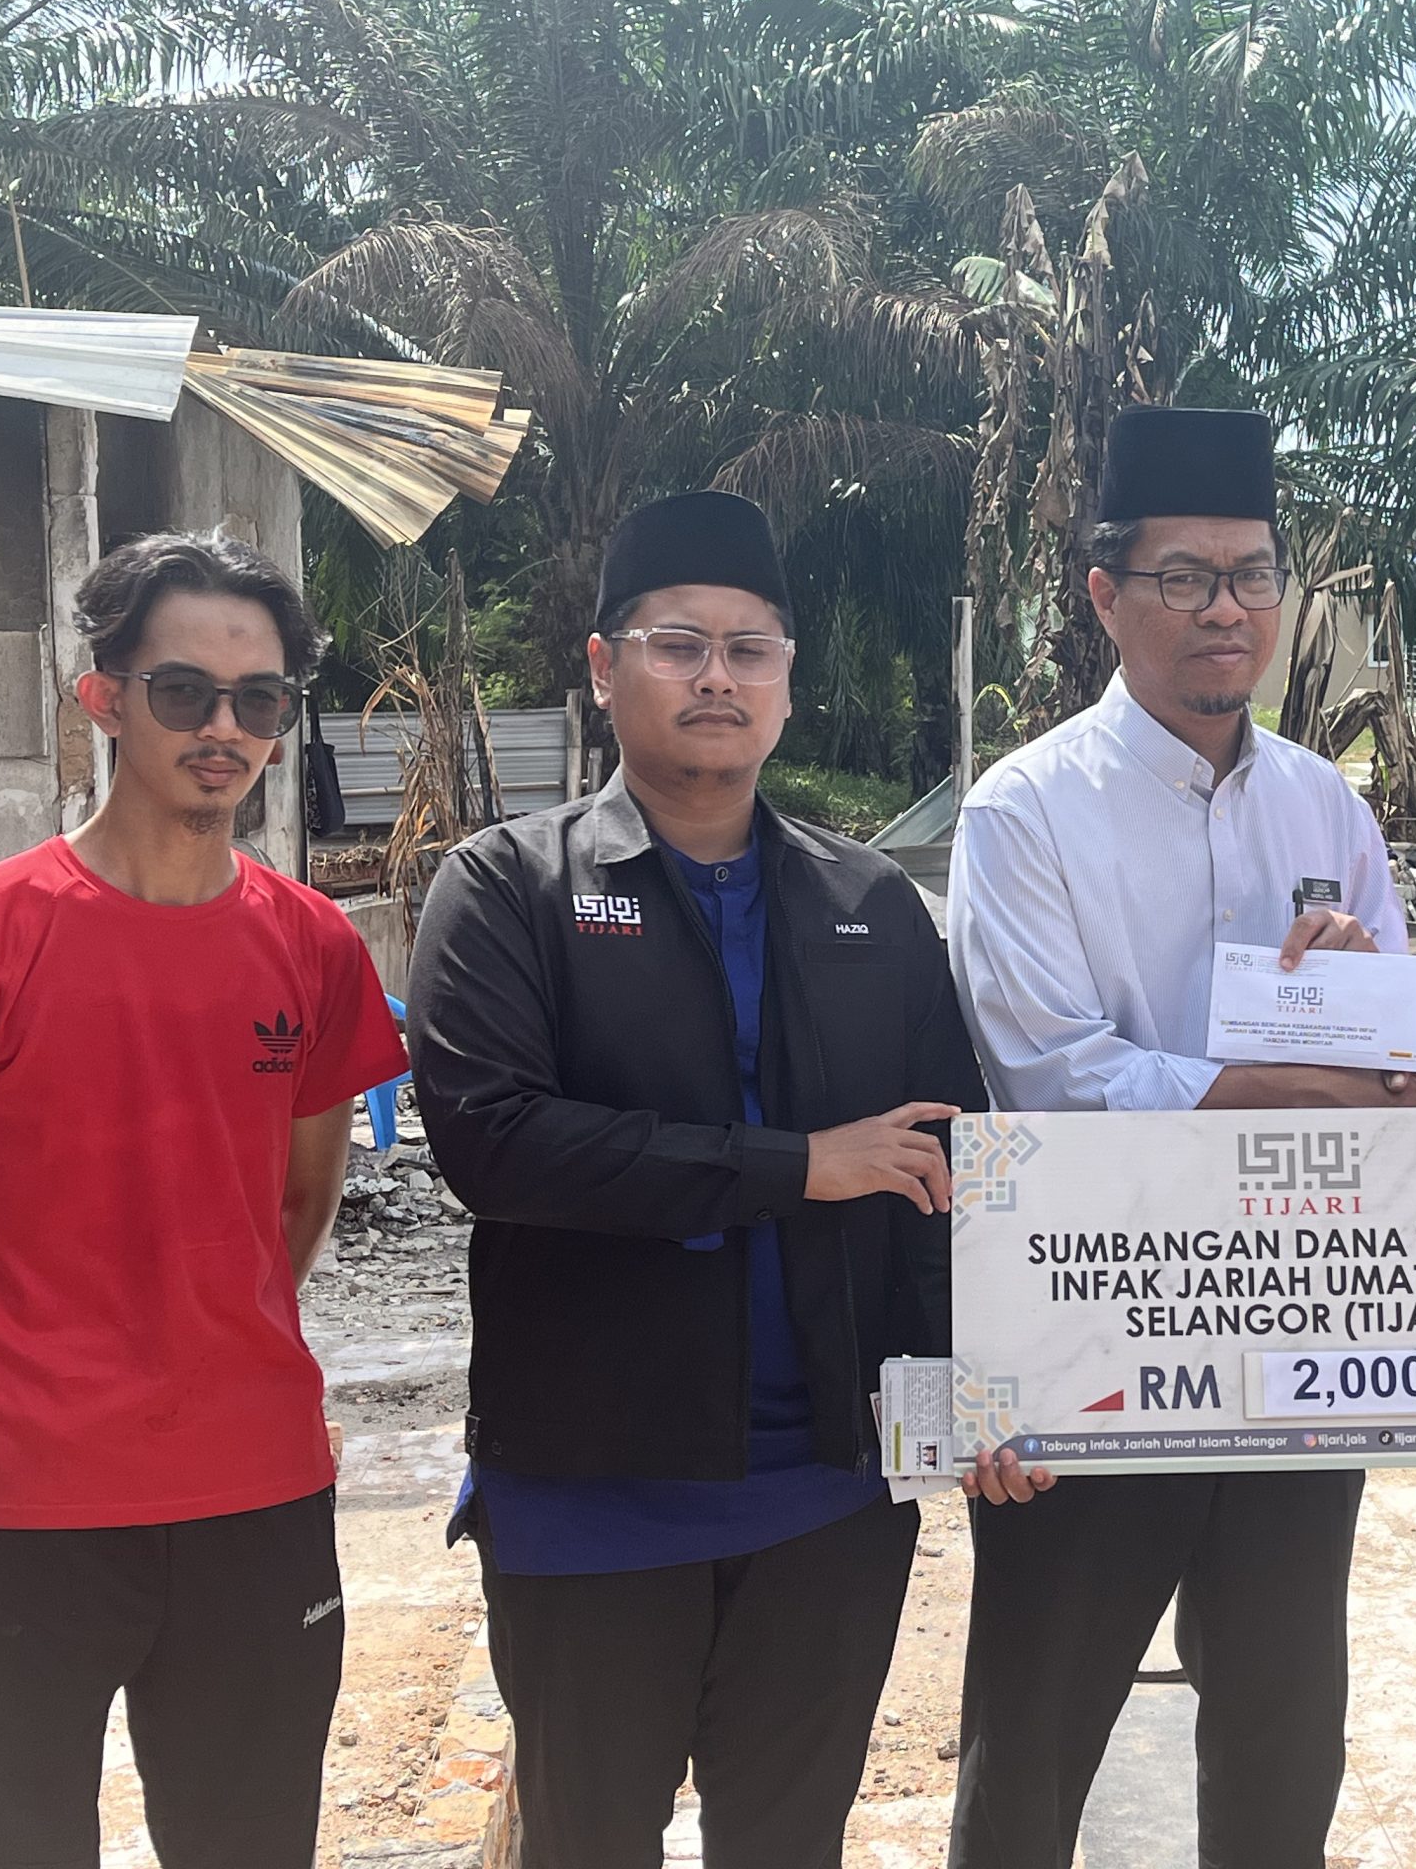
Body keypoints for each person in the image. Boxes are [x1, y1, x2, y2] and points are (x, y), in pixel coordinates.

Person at [406, 491, 991, 1868]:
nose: (716, 676)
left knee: (787, 1844)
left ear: (787, 679)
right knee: (589, 1843)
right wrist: (798, 1167)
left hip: (828, 1505)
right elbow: (495, 1144)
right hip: (592, 1496)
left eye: (750, 648)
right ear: (605, 670)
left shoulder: (868, 903)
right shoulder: (509, 889)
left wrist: (970, 1398)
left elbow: (948, 1178)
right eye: (678, 644)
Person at [944, 406, 1416, 1869]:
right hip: (1097, 1328)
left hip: (1296, 1324)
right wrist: (1300, 1079)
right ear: (1104, 592)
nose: (1225, 609)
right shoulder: (1025, 813)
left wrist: (1352, 1024)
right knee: (1035, 1731)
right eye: (1182, 577)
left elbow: (1398, 1083)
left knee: (1281, 1727)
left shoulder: (1325, 806)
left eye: (1251, 574)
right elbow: (1060, 1084)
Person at [0, 534, 407, 1866]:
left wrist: (213, 1339)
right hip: (19, 1513)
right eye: (184, 692)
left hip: (256, 1498)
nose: (223, 728)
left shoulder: (314, 947)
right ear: (104, 698)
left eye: (259, 699)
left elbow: (301, 1203)